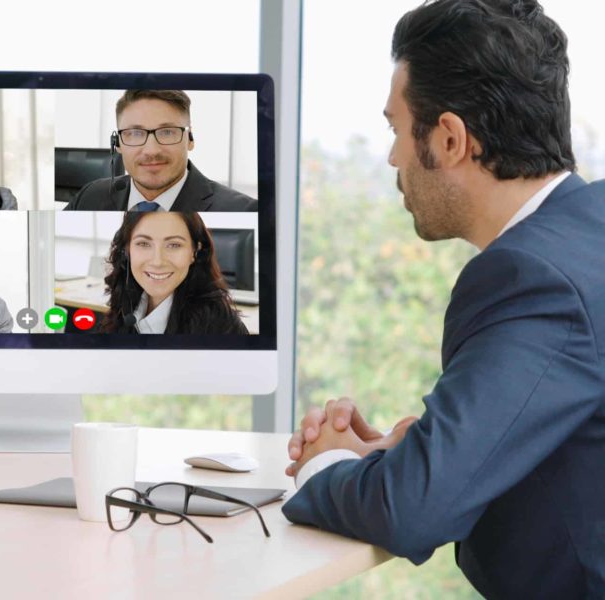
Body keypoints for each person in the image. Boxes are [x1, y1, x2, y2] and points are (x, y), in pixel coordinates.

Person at [280, 1, 604, 597]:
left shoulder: (532, 278)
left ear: (450, 138)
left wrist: (324, 466)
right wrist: (402, 454)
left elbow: (414, 511)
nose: (393, 157)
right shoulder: (592, 230)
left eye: (396, 129)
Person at [63, 89, 256, 212]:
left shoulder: (243, 210)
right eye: (135, 133)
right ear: (118, 144)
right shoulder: (89, 196)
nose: (151, 150)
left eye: (167, 132)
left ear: (190, 139)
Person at [101, 212, 246, 334]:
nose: (157, 262)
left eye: (174, 245)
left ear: (195, 252)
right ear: (126, 251)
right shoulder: (125, 303)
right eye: (143, 244)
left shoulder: (221, 325)